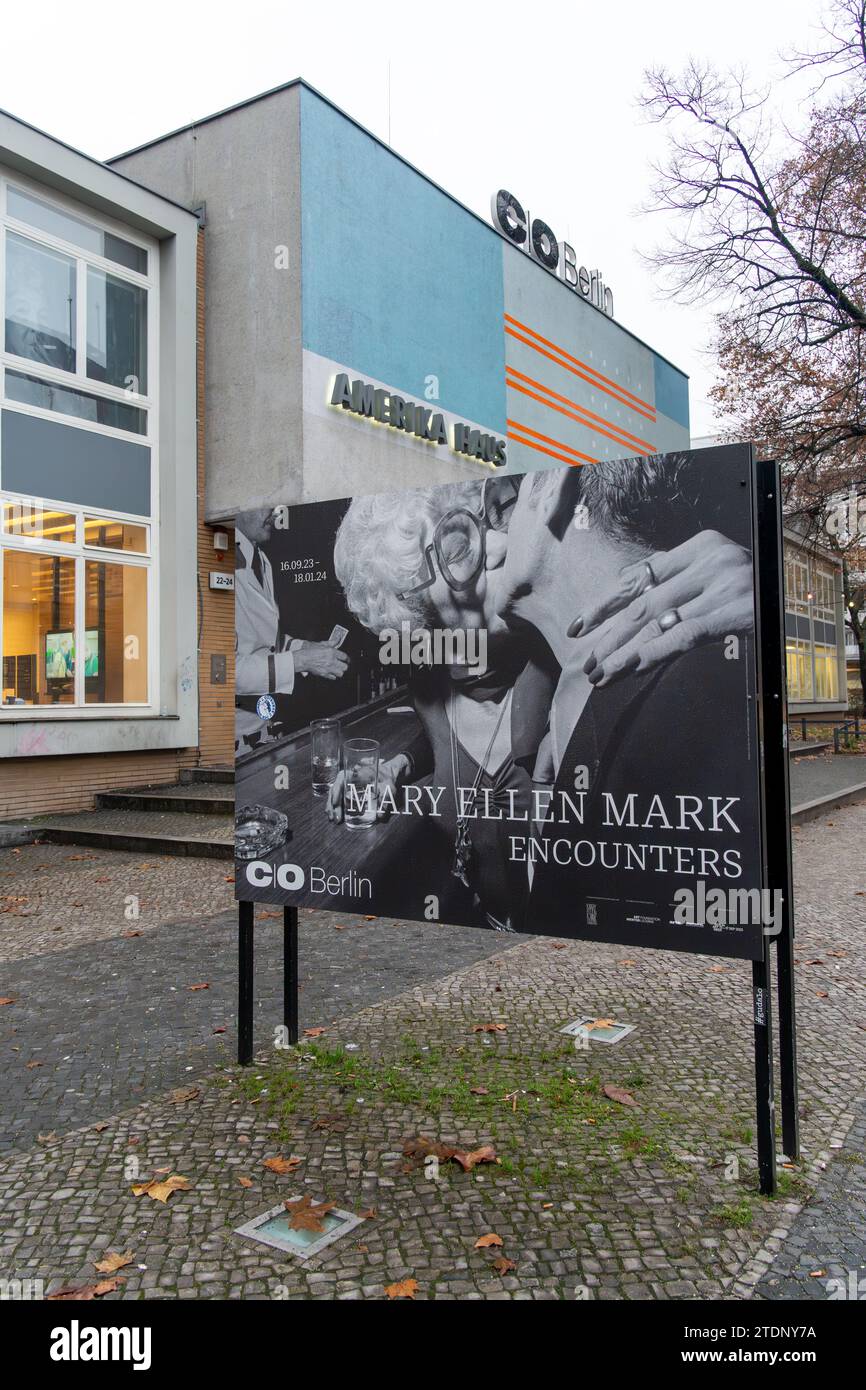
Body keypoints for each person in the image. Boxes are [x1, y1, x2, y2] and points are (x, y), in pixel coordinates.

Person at [328, 468, 753, 931]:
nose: (496, 545)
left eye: (482, 524)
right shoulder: (432, 691)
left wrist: (746, 589)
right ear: (419, 618)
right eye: (457, 549)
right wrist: (396, 766)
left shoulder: (565, 660)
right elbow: (443, 742)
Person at [493, 454, 758, 937]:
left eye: (503, 513)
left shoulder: (696, 690)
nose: (494, 542)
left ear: (551, 484)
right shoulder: (575, 686)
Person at [235, 506, 349, 750]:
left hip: (266, 726)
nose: (275, 512)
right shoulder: (218, 561)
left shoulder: (261, 560)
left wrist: (306, 647)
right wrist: (302, 661)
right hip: (234, 738)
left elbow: (265, 641)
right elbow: (223, 673)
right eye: (264, 501)